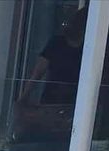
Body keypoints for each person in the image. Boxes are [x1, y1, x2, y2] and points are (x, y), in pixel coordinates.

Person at [15, 9, 87, 141]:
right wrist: (24, 98)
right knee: (46, 135)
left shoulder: (87, 49)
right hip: (52, 101)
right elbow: (37, 73)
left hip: (74, 103)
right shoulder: (57, 43)